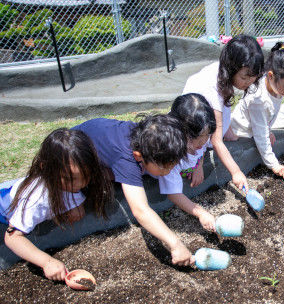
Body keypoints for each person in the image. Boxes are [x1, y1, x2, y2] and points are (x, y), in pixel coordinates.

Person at [72, 115, 195, 266]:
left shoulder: (147, 137)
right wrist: (175, 244)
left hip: (95, 134)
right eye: (166, 167)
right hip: (72, 154)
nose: (169, 171)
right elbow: (140, 210)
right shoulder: (127, 159)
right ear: (138, 157)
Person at [1, 128, 113, 281]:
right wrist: (47, 261)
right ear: (45, 168)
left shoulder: (71, 180)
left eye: (85, 177)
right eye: (70, 179)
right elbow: (12, 236)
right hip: (5, 206)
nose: (79, 185)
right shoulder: (37, 199)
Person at [182, 34, 265, 192]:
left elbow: (221, 110)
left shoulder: (223, 73)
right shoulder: (211, 88)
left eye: (253, 78)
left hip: (205, 125)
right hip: (192, 136)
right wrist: (236, 172)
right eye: (244, 78)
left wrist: (229, 131)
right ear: (232, 68)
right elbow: (215, 140)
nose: (249, 82)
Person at [230, 42, 284, 179]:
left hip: (254, 129)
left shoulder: (275, 87)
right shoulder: (259, 99)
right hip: (238, 135)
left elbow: (267, 117)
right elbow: (260, 136)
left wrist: (268, 130)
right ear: (270, 76)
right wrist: (273, 164)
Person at [161, 93, 217, 231]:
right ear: (177, 130)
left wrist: (199, 165)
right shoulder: (169, 153)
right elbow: (173, 193)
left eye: (206, 136)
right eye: (194, 139)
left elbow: (202, 149)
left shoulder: (200, 135)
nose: (202, 143)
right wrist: (200, 212)